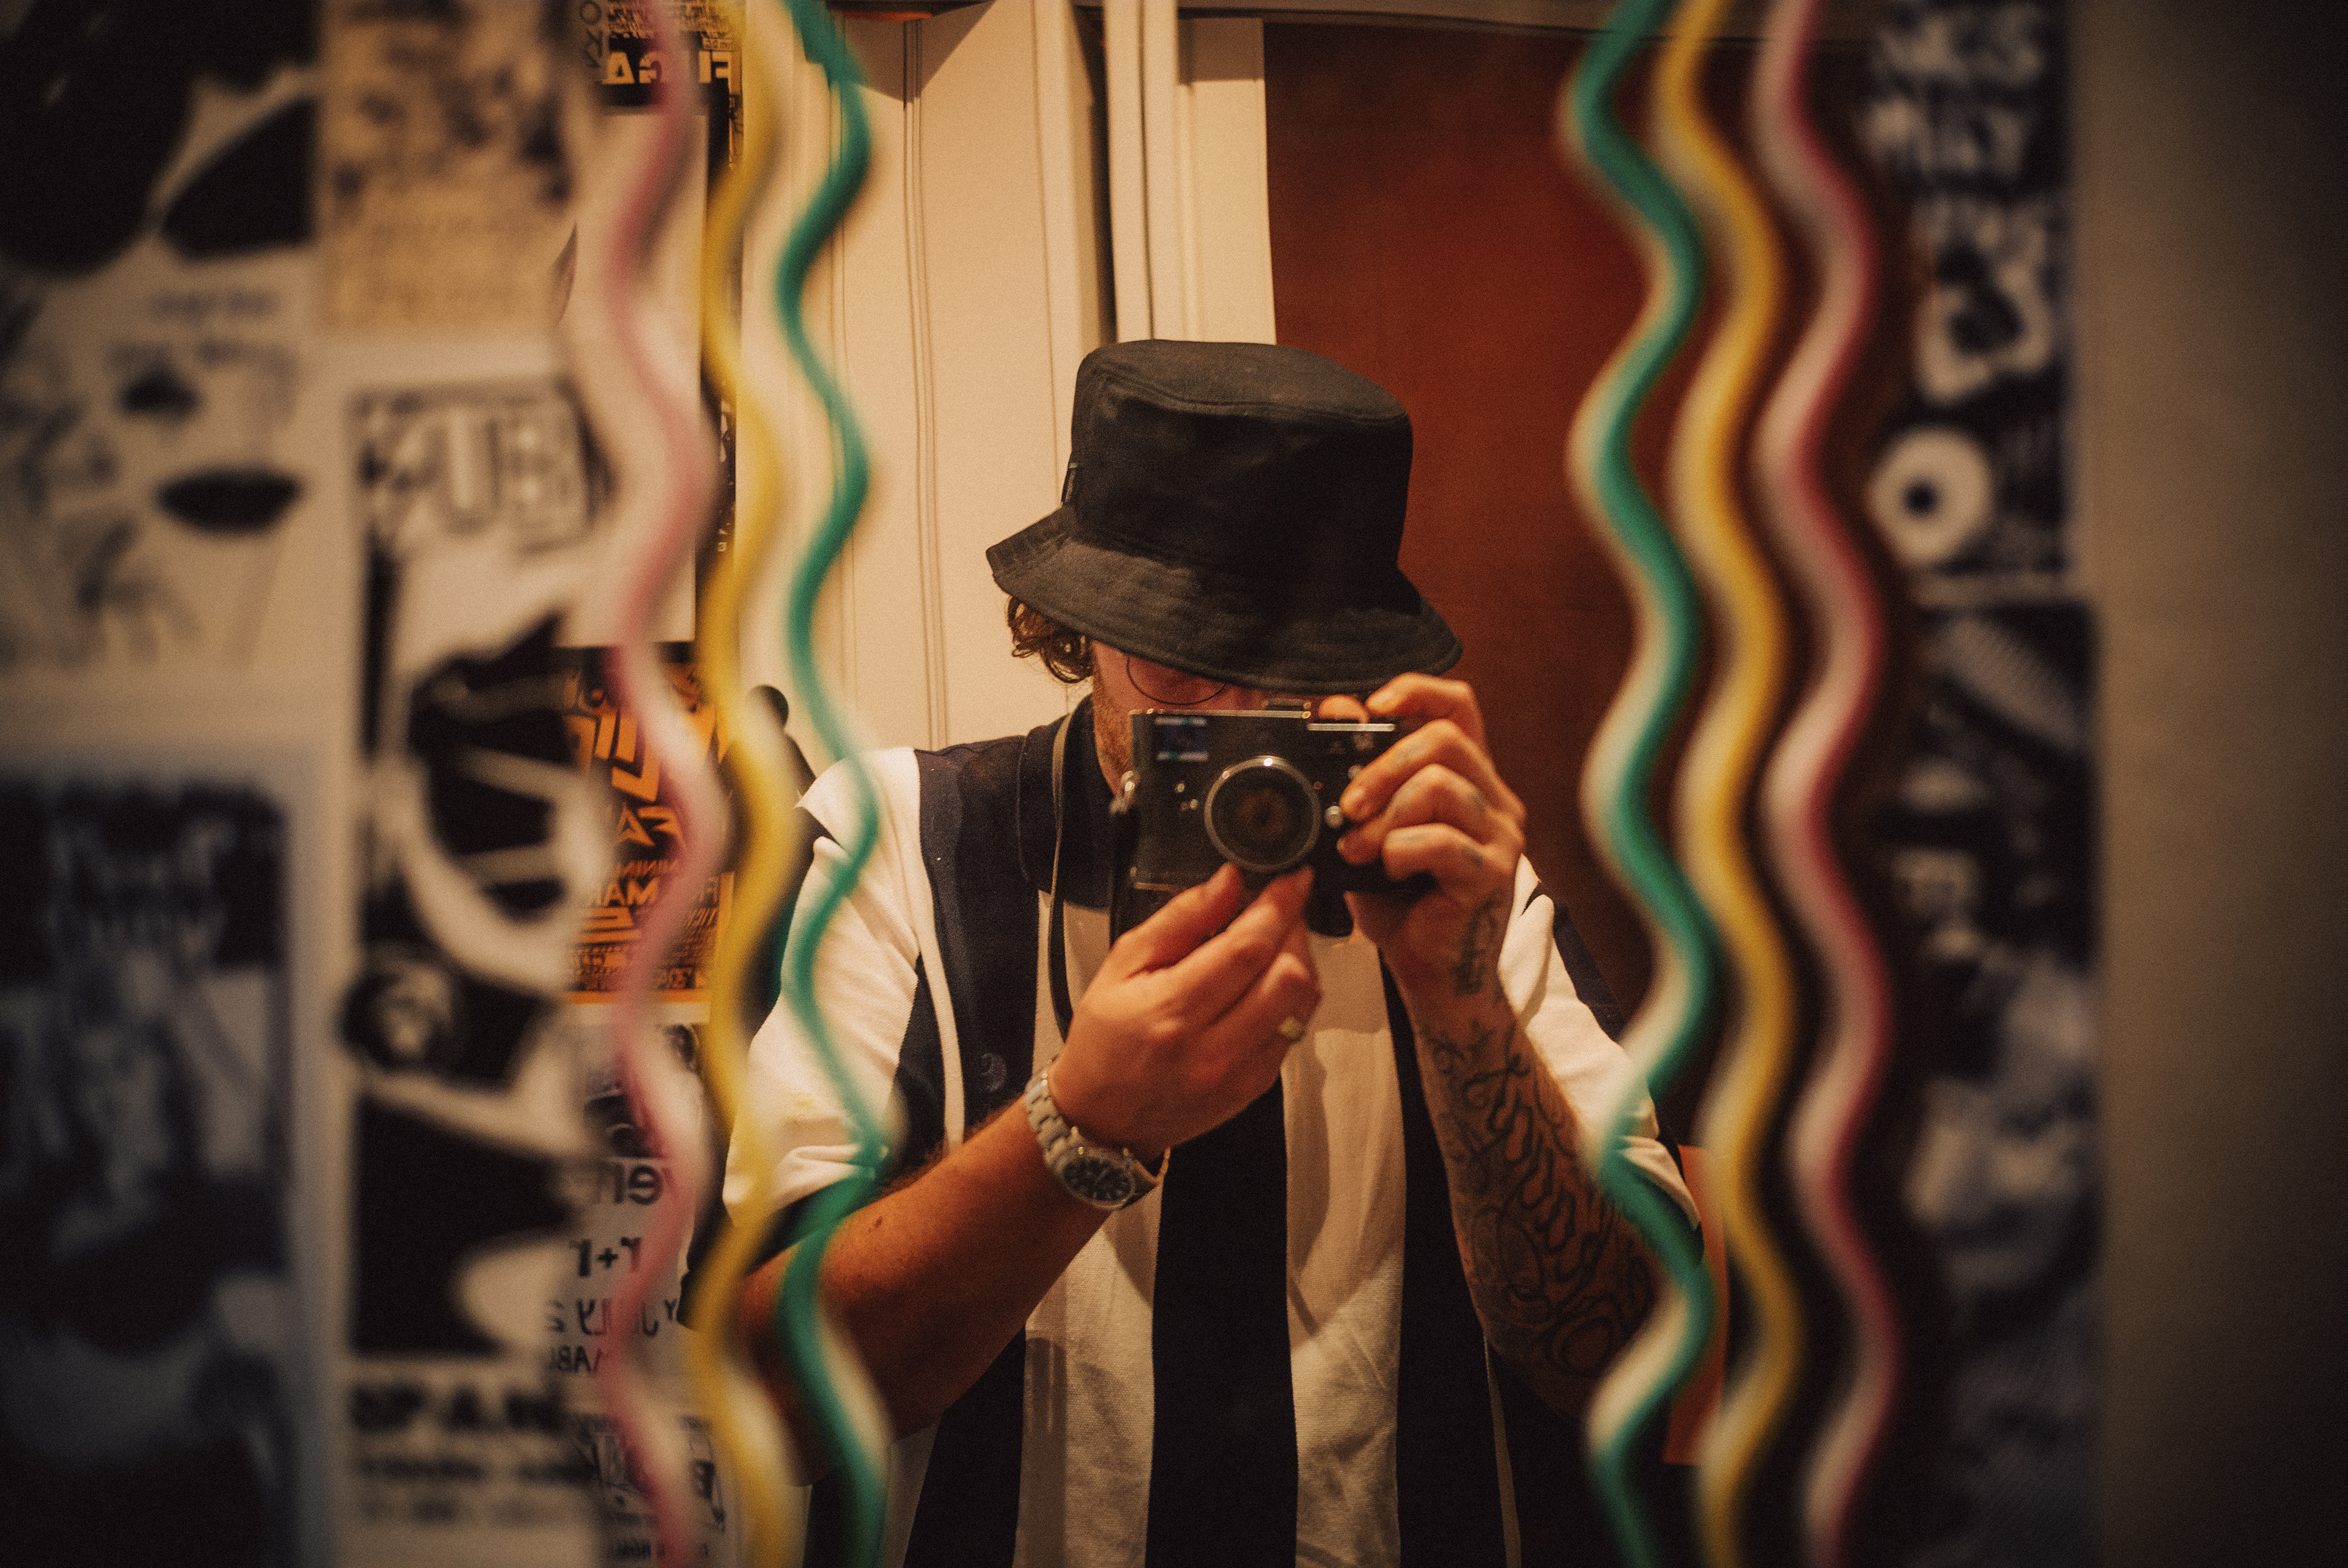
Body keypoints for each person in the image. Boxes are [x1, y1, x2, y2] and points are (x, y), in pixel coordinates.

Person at [729, 340, 1694, 1567]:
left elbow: (1622, 1358)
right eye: (1181, 653)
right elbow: (772, 1395)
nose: (1236, 714)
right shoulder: (906, 842)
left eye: (1293, 663)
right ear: (1077, 624)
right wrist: (1079, 1126)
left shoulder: (1443, 876)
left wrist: (1461, 1005)